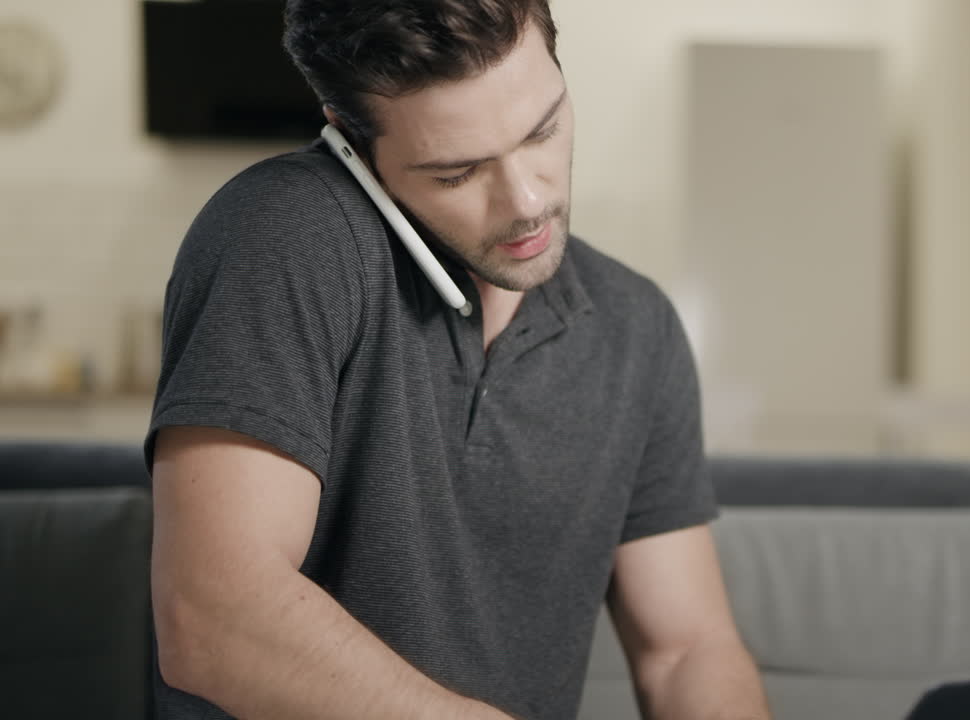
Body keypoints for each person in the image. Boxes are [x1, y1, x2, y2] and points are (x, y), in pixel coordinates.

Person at [146, 1, 772, 718]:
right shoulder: (284, 234)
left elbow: (686, 650)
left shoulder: (637, 325)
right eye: (457, 172)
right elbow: (215, 617)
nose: (527, 201)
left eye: (543, 130)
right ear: (351, 139)